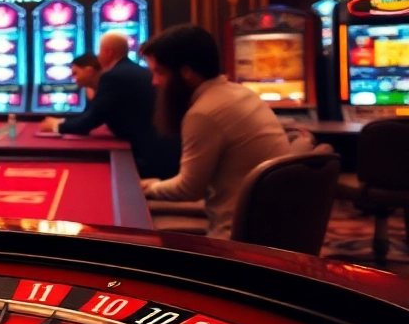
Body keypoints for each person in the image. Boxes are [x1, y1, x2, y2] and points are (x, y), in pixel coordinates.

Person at [138, 25, 291, 239]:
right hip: (272, 229)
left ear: (186, 72)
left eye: (160, 72)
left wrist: (148, 187)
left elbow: (189, 188)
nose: (154, 82)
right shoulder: (240, 93)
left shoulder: (204, 113)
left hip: (238, 240)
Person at [39, 33, 179, 179]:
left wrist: (57, 126)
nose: (98, 57)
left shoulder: (113, 76)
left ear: (107, 52)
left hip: (147, 159)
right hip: (164, 154)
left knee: (93, 175)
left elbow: (91, 120)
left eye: (100, 51)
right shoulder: (135, 71)